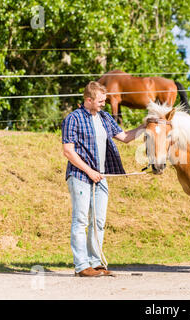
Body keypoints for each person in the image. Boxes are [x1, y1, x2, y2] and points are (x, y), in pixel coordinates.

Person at [62, 81, 145, 277]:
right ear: (88, 100)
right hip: (80, 176)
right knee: (81, 220)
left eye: (104, 101)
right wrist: (89, 171)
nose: (103, 104)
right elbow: (68, 151)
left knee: (98, 221)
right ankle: (82, 266)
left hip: (101, 177)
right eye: (100, 101)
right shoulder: (73, 119)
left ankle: (96, 263)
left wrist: (145, 126)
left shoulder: (105, 117)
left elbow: (124, 137)